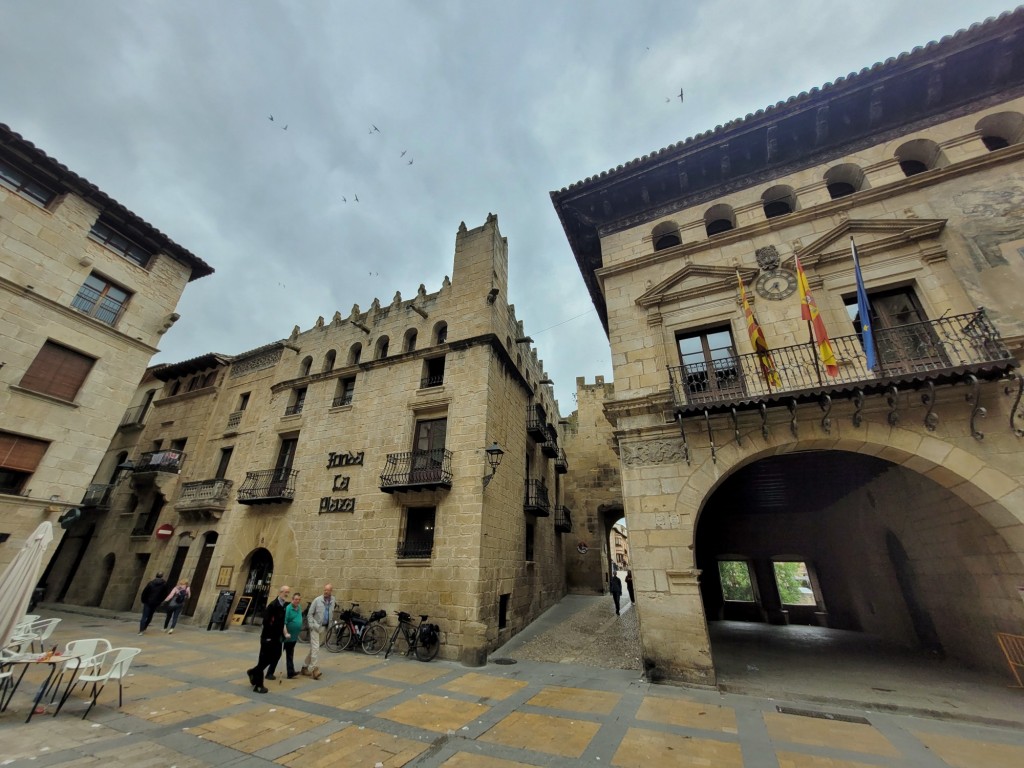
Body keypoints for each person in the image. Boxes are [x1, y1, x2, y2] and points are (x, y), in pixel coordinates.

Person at [247, 585, 290, 693]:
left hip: (277, 638)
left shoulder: (283, 606)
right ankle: (258, 686)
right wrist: (269, 636)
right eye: (285, 592)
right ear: (280, 592)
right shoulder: (273, 605)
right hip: (268, 637)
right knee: (263, 660)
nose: (286, 594)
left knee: (276, 656)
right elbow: (266, 622)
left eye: (288, 592)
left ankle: (253, 671)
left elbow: (281, 622)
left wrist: (283, 633)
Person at [302, 583, 333, 680]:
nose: (326, 592)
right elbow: (309, 614)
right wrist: (312, 625)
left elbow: (331, 613)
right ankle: (313, 669)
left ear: (331, 591)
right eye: (325, 590)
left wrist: (330, 625)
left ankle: (304, 667)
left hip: (324, 628)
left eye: (328, 590)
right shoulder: (317, 600)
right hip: (315, 627)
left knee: (314, 649)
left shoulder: (333, 601)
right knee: (316, 648)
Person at [276, 591, 303, 679]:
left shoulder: (299, 607)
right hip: (285, 637)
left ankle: (290, 673)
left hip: (293, 637)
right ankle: (270, 672)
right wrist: (286, 633)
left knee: (290, 655)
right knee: (277, 655)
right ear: (292, 599)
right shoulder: (288, 608)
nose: (297, 601)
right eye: (296, 599)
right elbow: (284, 622)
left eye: (299, 600)